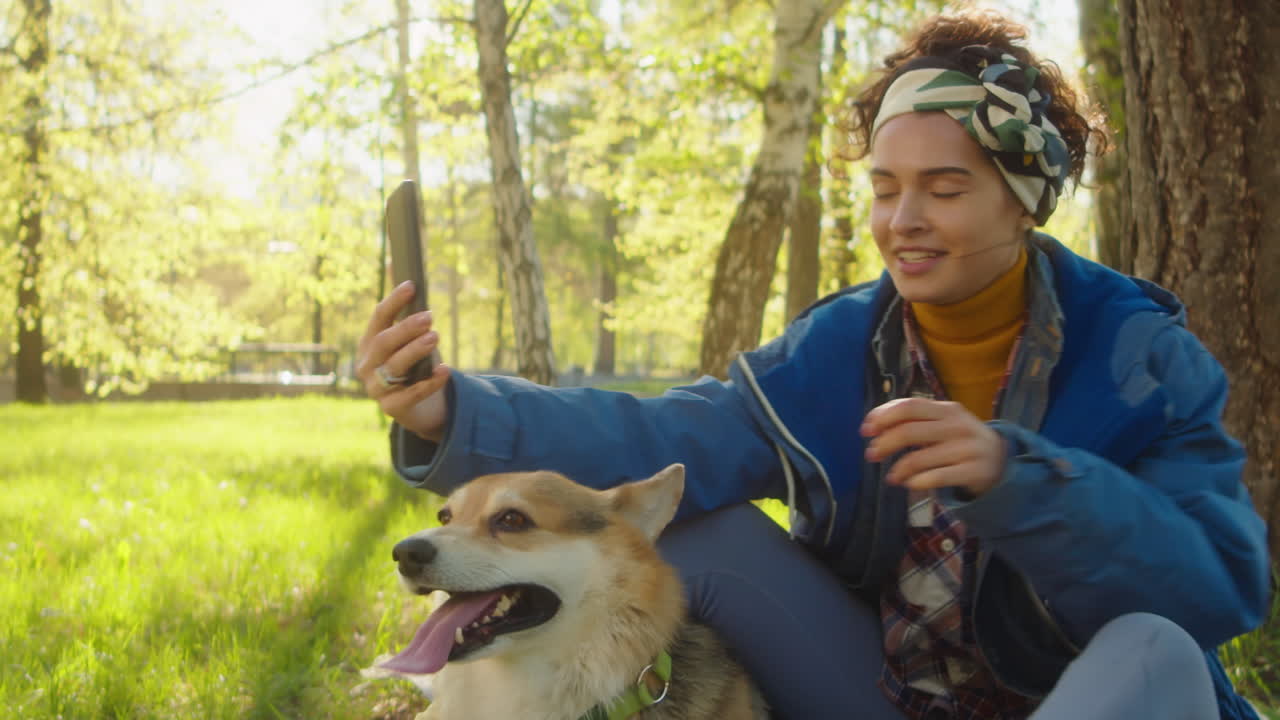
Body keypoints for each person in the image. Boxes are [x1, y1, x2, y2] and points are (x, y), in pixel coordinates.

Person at [356, 12, 1269, 720]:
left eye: (944, 189)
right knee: (697, 526)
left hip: (1085, 696)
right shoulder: (841, 347)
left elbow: (1218, 590)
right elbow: (667, 434)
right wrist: (453, 413)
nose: (902, 220)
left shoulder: (1139, 358)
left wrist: (1016, 477)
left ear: (1025, 200)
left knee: (1156, 645)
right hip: (887, 694)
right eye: (883, 187)